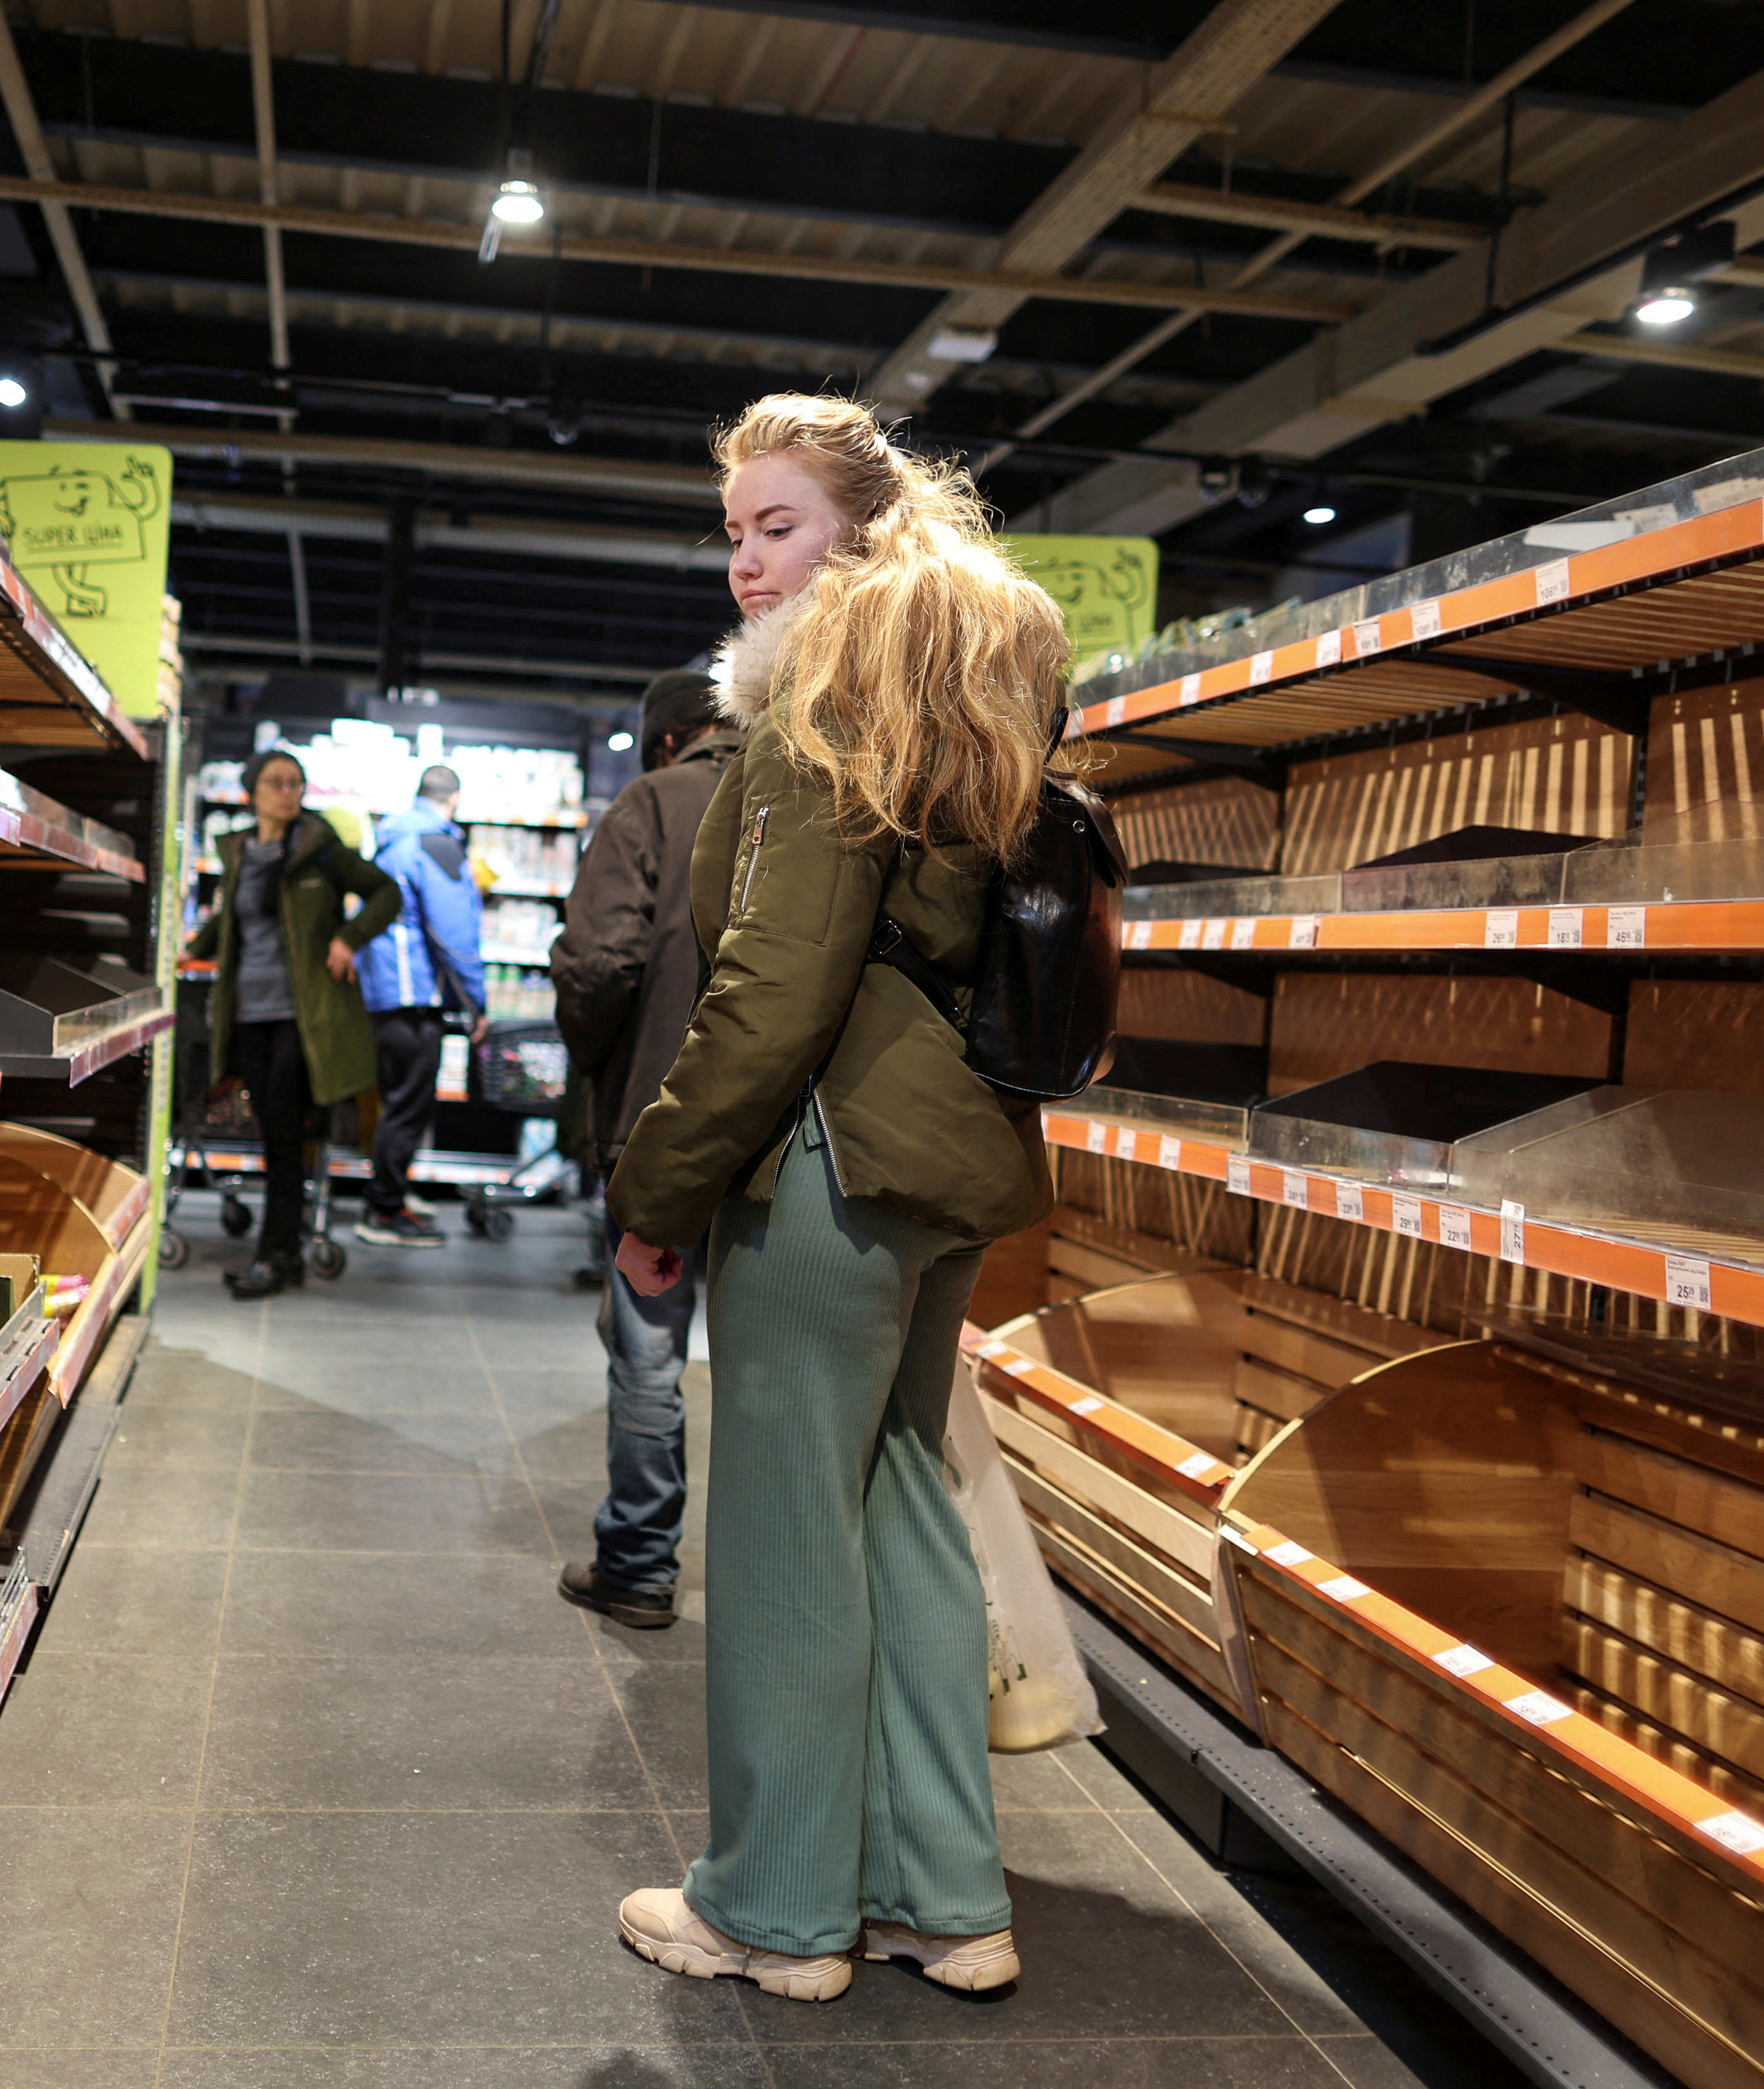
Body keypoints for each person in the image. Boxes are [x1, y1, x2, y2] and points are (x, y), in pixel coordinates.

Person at [605, 395, 1063, 2003]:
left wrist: (658, 1183)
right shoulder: (958, 701)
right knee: (902, 1520)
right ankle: (944, 1899)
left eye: (775, 525)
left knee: (794, 1539)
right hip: (943, 1166)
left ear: (860, 531)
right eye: (732, 528)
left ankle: (776, 1914)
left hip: (822, 1161)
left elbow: (776, 988)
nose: (744, 560)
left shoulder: (823, 708)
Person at [548, 669, 741, 1631]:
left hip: (659, 1124)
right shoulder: (807, 799)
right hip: (787, 1134)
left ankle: (638, 1564)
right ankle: (771, 1583)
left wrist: (602, 1064)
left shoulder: (653, 804)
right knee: (765, 1361)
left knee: (648, 1347)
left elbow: (598, 962)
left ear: (666, 739)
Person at [186, 748, 401, 1299]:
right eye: (277, 783)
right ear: (252, 791)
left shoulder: (321, 849)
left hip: (302, 1020)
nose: (289, 792)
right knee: (273, 1133)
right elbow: (231, 921)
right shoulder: (239, 851)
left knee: (283, 1136)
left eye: (296, 783)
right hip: (247, 1013)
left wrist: (347, 938)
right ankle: (287, 1251)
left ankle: (275, 1257)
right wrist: (191, 952)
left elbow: (387, 892)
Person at [354, 764, 488, 1249]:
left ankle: (391, 1194)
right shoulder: (436, 843)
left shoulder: (392, 838)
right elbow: (453, 934)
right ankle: (385, 1210)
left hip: (386, 990)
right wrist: (477, 1000)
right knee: (408, 1106)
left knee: (397, 1103)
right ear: (454, 799)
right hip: (414, 994)